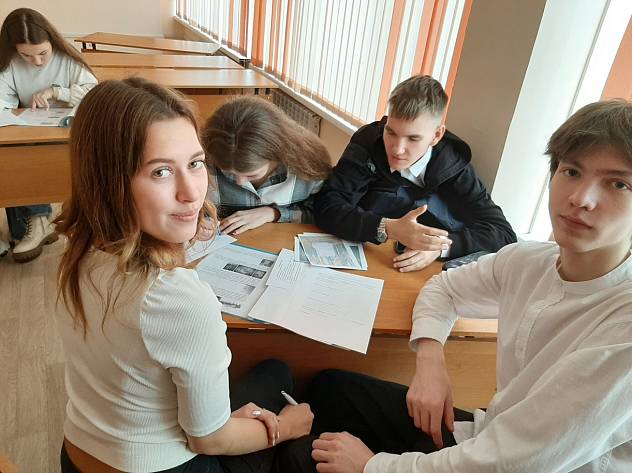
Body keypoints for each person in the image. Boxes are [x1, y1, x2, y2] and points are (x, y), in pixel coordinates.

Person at [295, 99, 632, 472]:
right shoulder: (527, 261)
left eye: (618, 184)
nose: (580, 198)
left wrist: (371, 466)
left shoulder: (623, 326)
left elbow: (517, 462)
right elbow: (444, 289)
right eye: (571, 171)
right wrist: (430, 361)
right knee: (328, 388)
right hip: (488, 434)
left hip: (515, 463)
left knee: (304, 457)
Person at [54, 78, 313, 473]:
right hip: (161, 467)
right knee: (278, 376)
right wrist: (285, 427)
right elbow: (209, 439)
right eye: (161, 172)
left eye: (195, 163)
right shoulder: (175, 297)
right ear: (109, 181)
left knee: (265, 377)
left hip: (77, 454)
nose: (192, 192)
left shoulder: (77, 251)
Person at [313, 75, 516, 272]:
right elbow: (326, 205)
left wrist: (438, 246)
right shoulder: (368, 142)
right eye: (391, 132)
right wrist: (387, 227)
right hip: (371, 257)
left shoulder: (452, 163)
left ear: (437, 135)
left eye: (413, 138)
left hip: (430, 273)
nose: (397, 149)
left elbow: (503, 233)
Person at [0, 8, 98, 263]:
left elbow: (93, 92)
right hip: (28, 131)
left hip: (68, 132)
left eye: (43, 53)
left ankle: (39, 219)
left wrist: (56, 92)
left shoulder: (67, 59)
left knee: (28, 154)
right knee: (11, 152)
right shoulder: (11, 63)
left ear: (52, 41)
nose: (37, 62)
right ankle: (37, 221)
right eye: (26, 55)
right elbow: (2, 99)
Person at [201, 97, 332, 235]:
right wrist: (197, 219)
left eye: (251, 175)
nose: (239, 182)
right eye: (229, 173)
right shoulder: (205, 158)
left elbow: (321, 214)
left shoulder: (308, 166)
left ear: (276, 155)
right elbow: (194, 206)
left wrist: (274, 213)